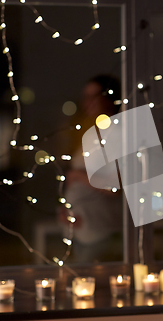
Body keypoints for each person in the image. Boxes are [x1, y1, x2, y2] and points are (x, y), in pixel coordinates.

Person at [61, 75, 124, 262]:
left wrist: (78, 176)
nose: (88, 102)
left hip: (100, 232)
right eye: (86, 96)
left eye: (94, 95)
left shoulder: (117, 135)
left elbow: (114, 187)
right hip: (81, 232)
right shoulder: (91, 133)